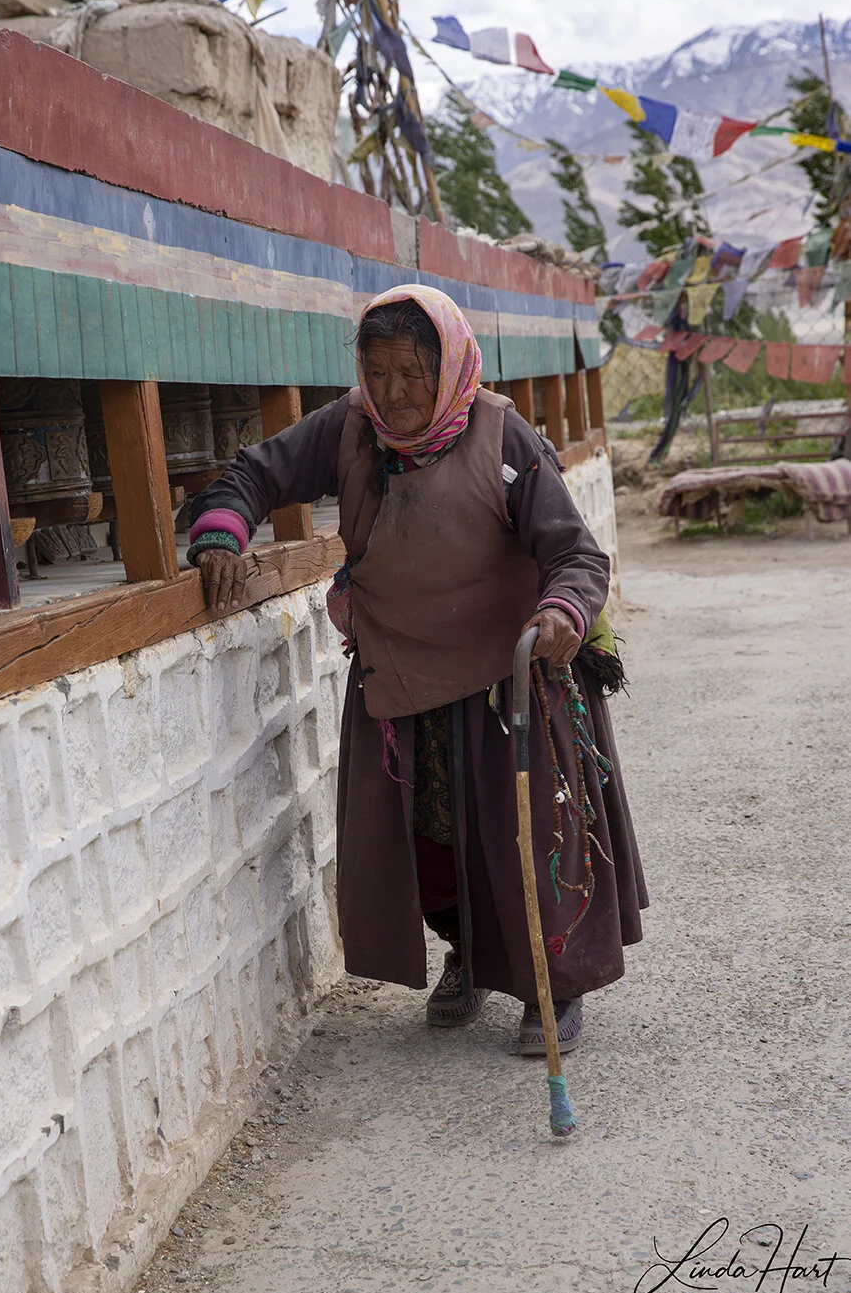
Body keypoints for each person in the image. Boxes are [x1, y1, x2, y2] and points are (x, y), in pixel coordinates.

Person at [188, 284, 648, 1054]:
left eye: (412, 373)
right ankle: (468, 954)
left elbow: (572, 551)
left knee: (525, 839)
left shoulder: (505, 438)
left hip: (511, 675)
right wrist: (222, 537)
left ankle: (551, 984)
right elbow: (251, 475)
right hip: (403, 676)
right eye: (378, 372)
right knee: (434, 844)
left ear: (451, 366)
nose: (394, 394)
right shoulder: (349, 429)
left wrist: (564, 611)